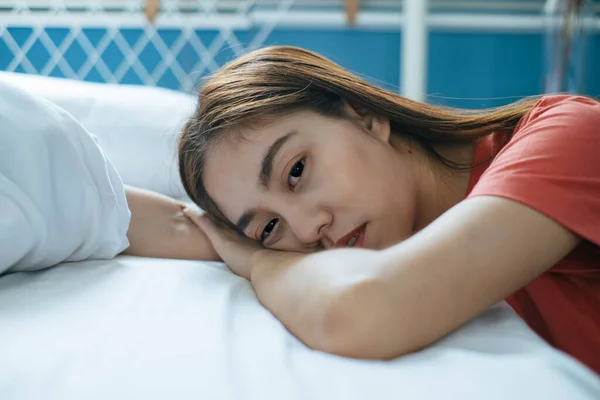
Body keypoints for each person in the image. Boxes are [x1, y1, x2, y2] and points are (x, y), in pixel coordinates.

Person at [124, 46, 600, 375]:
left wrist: (257, 258)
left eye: (296, 171)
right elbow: (168, 226)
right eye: (269, 226)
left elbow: (363, 311)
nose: (310, 229)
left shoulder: (571, 137)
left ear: (364, 116)